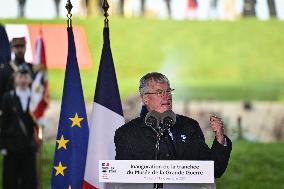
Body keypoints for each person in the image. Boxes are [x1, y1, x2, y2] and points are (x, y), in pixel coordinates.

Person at [114, 72, 232, 178]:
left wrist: (220, 138)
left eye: (168, 91)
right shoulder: (126, 134)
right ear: (146, 99)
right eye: (160, 92)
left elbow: (214, 170)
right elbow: (123, 178)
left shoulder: (189, 126)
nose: (167, 96)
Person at [0, 64, 40, 189]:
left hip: (29, 148)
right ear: (15, 78)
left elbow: (37, 123)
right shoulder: (8, 98)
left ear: (30, 79)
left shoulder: (35, 98)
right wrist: (3, 146)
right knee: (10, 182)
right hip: (11, 148)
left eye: (26, 76)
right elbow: (2, 123)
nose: (23, 80)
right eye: (20, 76)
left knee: (29, 182)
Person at [0, 37, 33, 117]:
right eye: (17, 47)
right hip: (10, 111)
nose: (19, 50)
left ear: (25, 48)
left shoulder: (31, 68)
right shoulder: (5, 70)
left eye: (22, 47)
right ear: (12, 49)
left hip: (28, 111)